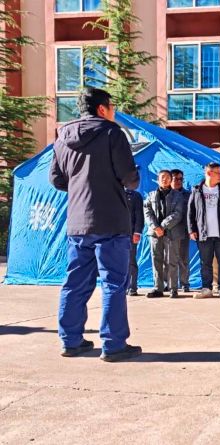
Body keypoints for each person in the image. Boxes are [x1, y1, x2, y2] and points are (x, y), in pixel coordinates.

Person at [49, 87, 141, 362]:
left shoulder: (62, 137)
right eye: (112, 106)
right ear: (102, 109)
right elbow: (129, 177)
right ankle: (113, 345)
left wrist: (80, 186)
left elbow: (56, 179)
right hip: (111, 220)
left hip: (78, 222)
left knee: (75, 283)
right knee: (113, 283)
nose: (114, 111)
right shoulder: (112, 133)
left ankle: (71, 341)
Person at [188, 162, 220, 299]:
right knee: (205, 263)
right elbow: (191, 211)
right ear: (209, 173)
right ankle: (206, 289)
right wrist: (192, 229)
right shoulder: (197, 190)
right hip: (204, 234)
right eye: (218, 173)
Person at [144, 169, 186, 299]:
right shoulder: (151, 195)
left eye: (167, 177)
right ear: (158, 180)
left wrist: (162, 226)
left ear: (171, 180)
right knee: (156, 260)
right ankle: (158, 288)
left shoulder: (178, 196)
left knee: (172, 261)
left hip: (172, 232)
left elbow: (178, 213)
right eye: (162, 177)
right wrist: (155, 227)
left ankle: (173, 288)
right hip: (155, 234)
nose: (165, 179)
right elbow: (147, 212)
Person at [170, 169, 191, 293]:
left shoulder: (188, 195)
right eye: (175, 178)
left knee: (183, 259)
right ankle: (169, 283)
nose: (178, 181)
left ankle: (184, 283)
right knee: (168, 259)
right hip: (168, 231)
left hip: (183, 231)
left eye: (180, 179)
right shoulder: (165, 194)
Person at [125, 186, 144, 297]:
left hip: (130, 234)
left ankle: (132, 287)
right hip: (115, 234)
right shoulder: (113, 194)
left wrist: (137, 232)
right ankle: (120, 287)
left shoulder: (135, 196)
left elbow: (139, 215)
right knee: (116, 262)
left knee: (130, 261)